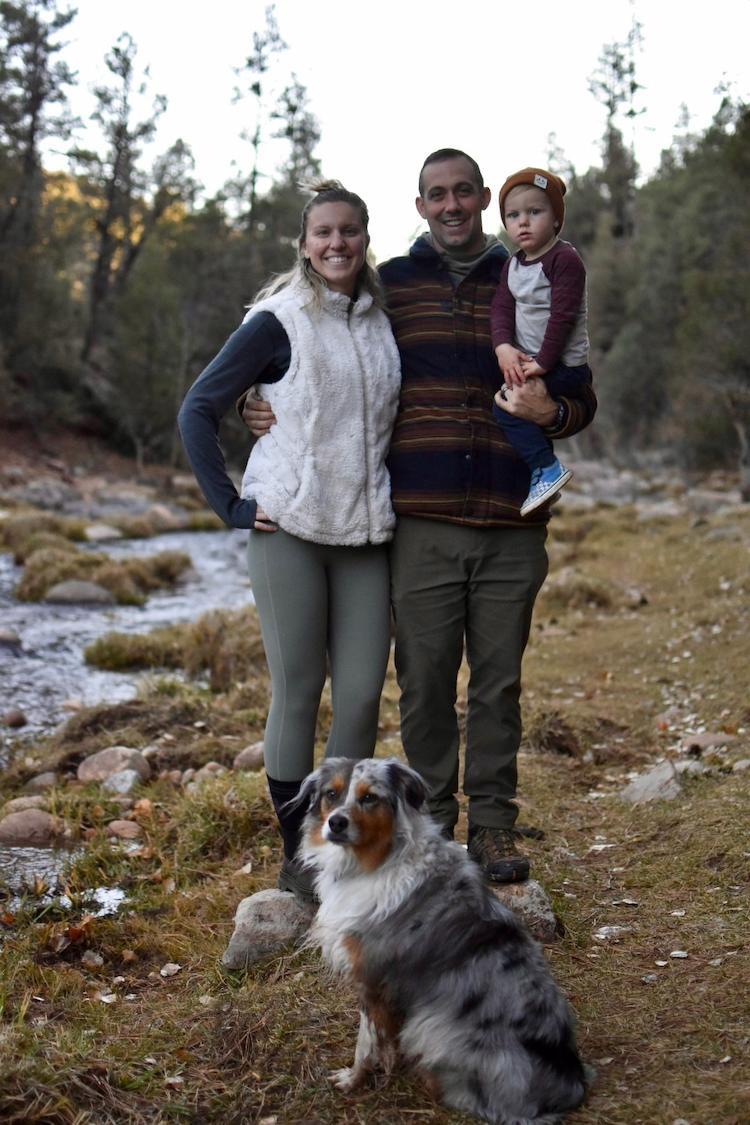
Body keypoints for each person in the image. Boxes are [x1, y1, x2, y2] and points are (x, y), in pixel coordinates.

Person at [245, 150, 597, 884]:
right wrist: (260, 401)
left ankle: (495, 826)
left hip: (512, 516)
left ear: (483, 201)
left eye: (464, 192)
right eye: (437, 194)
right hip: (423, 521)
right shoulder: (392, 287)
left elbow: (580, 390)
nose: (452, 205)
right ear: (420, 205)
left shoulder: (527, 274)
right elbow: (320, 340)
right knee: (427, 679)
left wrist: (555, 411)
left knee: (499, 680)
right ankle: (429, 827)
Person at [178, 181, 401, 904]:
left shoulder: (379, 317)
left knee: (362, 696)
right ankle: (297, 858)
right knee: (299, 691)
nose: (337, 243)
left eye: (349, 231)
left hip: (366, 531)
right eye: (323, 233)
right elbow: (200, 408)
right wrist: (231, 505)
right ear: (304, 244)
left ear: (365, 237)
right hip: (289, 531)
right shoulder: (279, 319)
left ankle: (348, 840)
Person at [491, 168, 593, 516]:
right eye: (513, 215)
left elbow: (562, 318)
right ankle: (543, 475)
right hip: (534, 360)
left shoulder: (564, 259)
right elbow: (501, 309)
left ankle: (546, 469)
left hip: (565, 366)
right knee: (513, 402)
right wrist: (503, 346)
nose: (523, 222)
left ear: (555, 219)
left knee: (507, 403)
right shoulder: (512, 265)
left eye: (535, 212)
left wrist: (544, 362)